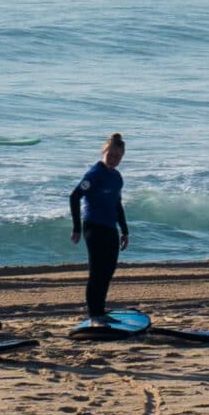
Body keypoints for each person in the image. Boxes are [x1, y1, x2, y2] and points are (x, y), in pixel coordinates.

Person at [70, 132, 130, 322]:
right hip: (93, 227)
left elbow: (117, 204)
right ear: (103, 152)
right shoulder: (94, 174)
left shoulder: (117, 177)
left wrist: (125, 230)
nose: (113, 160)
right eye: (110, 155)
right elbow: (74, 196)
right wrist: (77, 228)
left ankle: (100, 310)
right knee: (97, 272)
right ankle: (94, 314)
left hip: (110, 228)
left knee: (108, 270)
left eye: (117, 157)